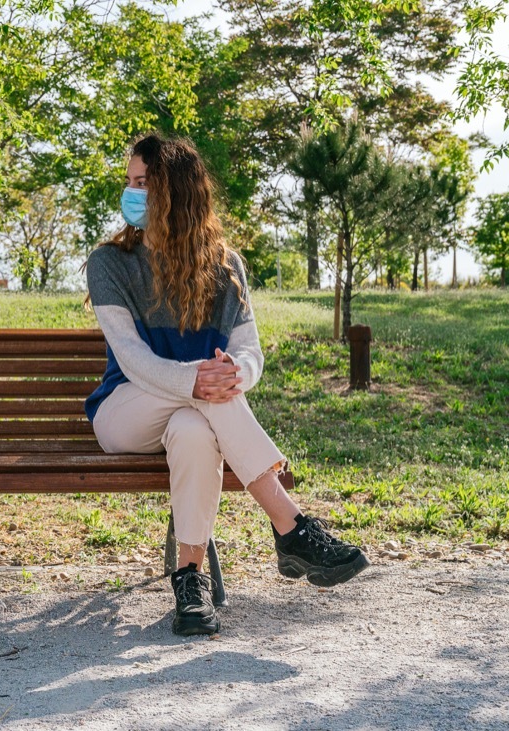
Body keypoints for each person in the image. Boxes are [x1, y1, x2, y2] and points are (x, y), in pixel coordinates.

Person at [84, 133, 369, 636]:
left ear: (176, 192)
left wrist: (236, 374)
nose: (132, 193)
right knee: (206, 401)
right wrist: (199, 379)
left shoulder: (225, 266)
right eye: (129, 183)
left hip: (194, 414)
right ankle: (292, 528)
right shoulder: (111, 264)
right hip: (125, 412)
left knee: (196, 427)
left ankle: (189, 583)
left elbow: (249, 351)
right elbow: (131, 359)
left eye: (143, 183)